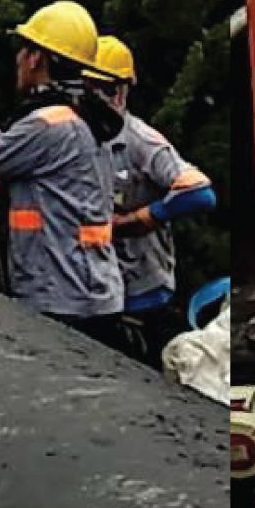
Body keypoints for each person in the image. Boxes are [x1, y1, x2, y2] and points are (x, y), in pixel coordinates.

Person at [0, 0, 136, 353]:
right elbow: (11, 157)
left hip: (58, 299)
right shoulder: (84, 117)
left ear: (36, 58)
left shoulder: (47, 124)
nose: (17, 60)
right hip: (92, 293)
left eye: (23, 51)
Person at [93, 36, 216, 362]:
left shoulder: (139, 141)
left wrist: (140, 219)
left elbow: (199, 193)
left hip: (143, 292)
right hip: (98, 288)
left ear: (120, 91)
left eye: (102, 88)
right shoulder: (77, 139)